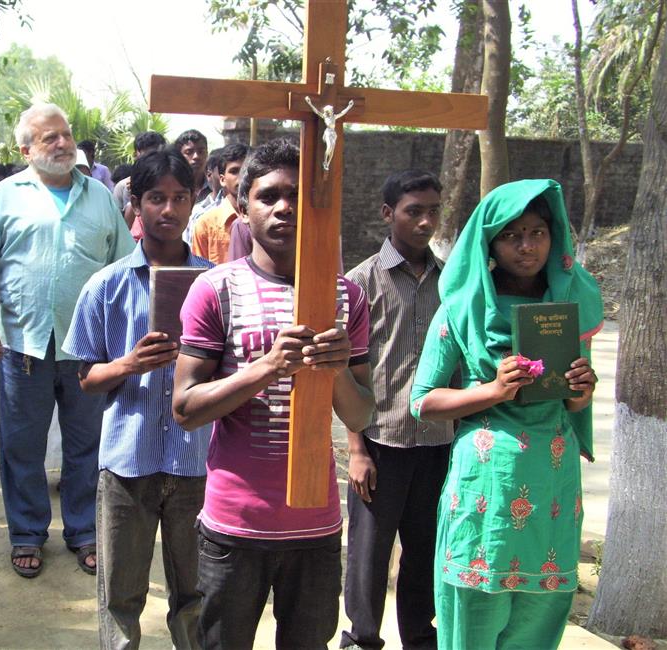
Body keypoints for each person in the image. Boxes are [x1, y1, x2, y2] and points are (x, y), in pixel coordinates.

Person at [172, 138, 375, 648]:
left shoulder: (346, 297)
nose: (285, 207)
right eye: (269, 196)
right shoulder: (215, 289)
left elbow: (363, 413)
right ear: (242, 206)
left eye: (298, 195)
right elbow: (186, 408)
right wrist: (266, 367)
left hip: (317, 526)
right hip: (235, 524)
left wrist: (335, 371)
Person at [409, 179, 602, 650]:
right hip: (486, 489)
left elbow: (574, 405)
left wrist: (581, 390)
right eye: (512, 235)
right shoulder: (462, 307)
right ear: (489, 243)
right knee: (475, 607)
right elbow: (424, 401)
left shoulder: (570, 304)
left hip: (552, 482)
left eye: (538, 232)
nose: (527, 245)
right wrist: (493, 390)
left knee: (540, 614)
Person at [0, 103, 134, 579]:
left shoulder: (98, 196)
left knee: (87, 446)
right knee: (22, 446)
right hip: (23, 346)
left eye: (66, 134)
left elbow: (124, 268)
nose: (62, 143)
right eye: (49, 137)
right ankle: (27, 534)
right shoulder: (3, 196)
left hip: (88, 350)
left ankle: (83, 532)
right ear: (25, 150)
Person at [64, 150, 212, 649]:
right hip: (127, 460)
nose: (168, 210)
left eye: (179, 198)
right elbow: (86, 377)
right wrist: (130, 363)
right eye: (156, 198)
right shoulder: (106, 286)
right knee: (121, 595)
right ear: (135, 203)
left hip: (195, 462)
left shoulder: (214, 284)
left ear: (193, 202)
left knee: (194, 593)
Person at [338, 170, 451, 650]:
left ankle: (419, 638)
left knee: (425, 550)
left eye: (432, 211)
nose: (425, 221)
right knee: (368, 554)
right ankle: (362, 638)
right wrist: (356, 448)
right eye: (413, 211)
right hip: (382, 442)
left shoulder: (453, 281)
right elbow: (345, 373)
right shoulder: (361, 283)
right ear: (388, 214)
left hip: (439, 442)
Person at [190, 143, 248, 264]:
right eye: (234, 171)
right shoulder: (206, 224)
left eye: (246, 170)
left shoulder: (265, 219)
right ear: (222, 179)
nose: (241, 177)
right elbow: (200, 272)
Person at [113, 131, 168, 231]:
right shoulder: (122, 187)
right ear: (135, 155)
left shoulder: (172, 184)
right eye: (146, 156)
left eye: (155, 155)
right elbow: (118, 228)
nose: (151, 161)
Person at [174, 130, 211, 204]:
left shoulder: (217, 187)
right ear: (178, 156)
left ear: (207, 154)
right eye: (189, 152)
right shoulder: (171, 187)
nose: (196, 157)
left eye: (201, 152)